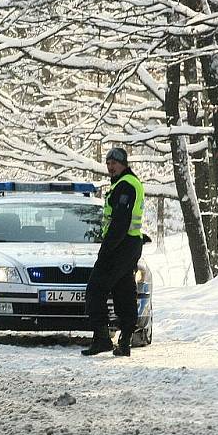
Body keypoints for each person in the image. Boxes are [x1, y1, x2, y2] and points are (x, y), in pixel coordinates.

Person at [81, 147, 145, 357]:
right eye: (108, 163)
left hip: (120, 246)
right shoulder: (126, 183)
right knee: (123, 291)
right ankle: (125, 341)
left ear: (124, 163)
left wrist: (106, 249)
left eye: (114, 163)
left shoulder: (125, 186)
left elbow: (120, 222)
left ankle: (101, 339)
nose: (110, 166)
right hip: (129, 245)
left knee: (95, 289)